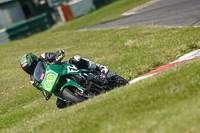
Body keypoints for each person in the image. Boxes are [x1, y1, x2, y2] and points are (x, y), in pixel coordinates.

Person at [20, 50, 109, 109]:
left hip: (62, 69)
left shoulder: (43, 57)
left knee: (76, 60)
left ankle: (99, 67)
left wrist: (58, 55)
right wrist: (45, 92)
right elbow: (41, 87)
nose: (31, 70)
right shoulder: (33, 79)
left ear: (35, 60)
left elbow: (56, 55)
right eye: (28, 70)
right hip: (55, 85)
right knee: (60, 105)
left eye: (31, 67)